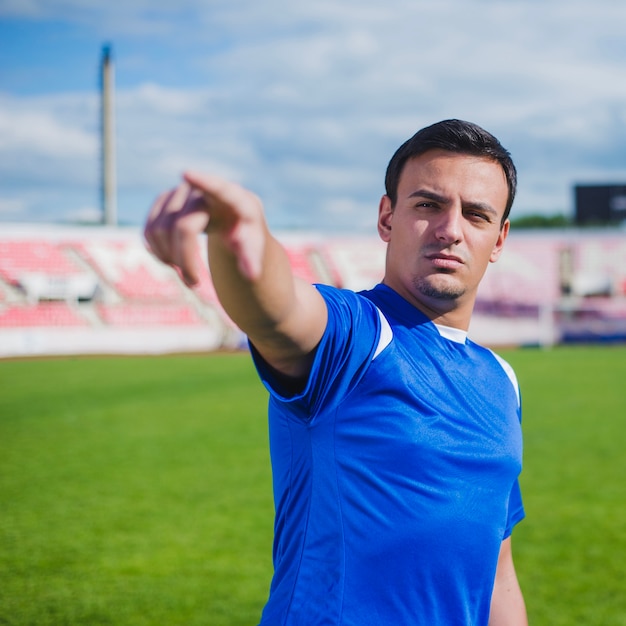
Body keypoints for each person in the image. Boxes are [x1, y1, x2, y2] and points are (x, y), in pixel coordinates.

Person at [144, 119, 528, 625]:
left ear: (498, 239)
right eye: (428, 205)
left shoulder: (501, 379)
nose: (450, 229)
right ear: (387, 217)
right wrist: (241, 235)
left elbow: (497, 570)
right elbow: (279, 313)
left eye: (476, 215)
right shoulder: (360, 335)